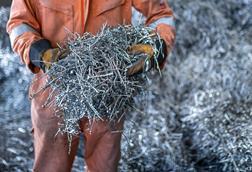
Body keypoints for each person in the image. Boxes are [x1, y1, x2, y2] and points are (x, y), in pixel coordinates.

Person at [7, 0, 175, 171]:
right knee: (50, 167)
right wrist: (39, 52)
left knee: (104, 166)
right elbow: (19, 23)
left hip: (110, 94)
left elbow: (162, 16)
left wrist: (156, 47)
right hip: (53, 93)